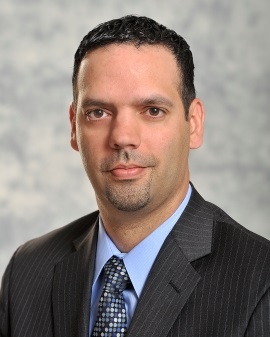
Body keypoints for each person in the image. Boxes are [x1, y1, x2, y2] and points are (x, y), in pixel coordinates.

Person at [1, 15, 270, 337]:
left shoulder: (260, 280)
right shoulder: (28, 271)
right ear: (74, 126)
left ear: (194, 123)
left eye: (153, 111)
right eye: (98, 112)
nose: (122, 136)